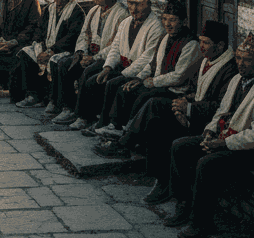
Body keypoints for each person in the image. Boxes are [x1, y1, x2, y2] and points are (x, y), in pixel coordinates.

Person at [167, 33, 254, 238]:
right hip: (229, 138)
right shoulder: (237, 80)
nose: (240, 64)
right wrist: (209, 132)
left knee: (207, 164)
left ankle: (202, 223)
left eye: (246, 60)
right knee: (179, 147)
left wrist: (223, 143)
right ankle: (183, 204)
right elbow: (222, 112)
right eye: (237, 58)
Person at [95, 21, 236, 189]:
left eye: (206, 43)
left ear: (220, 46)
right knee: (154, 107)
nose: (202, 46)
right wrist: (184, 101)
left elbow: (220, 106)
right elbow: (196, 89)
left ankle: (131, 150)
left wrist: (189, 108)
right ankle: (155, 176)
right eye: (201, 41)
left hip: (205, 122)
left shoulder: (229, 70)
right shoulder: (208, 60)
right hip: (190, 109)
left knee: (158, 116)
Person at [94, 0, 200, 147]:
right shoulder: (165, 38)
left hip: (175, 90)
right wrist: (138, 78)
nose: (167, 24)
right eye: (165, 19)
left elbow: (179, 76)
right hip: (158, 84)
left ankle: (129, 135)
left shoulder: (191, 44)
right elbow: (152, 64)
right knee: (126, 88)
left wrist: (153, 82)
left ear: (183, 22)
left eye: (173, 20)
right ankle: (115, 126)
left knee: (143, 96)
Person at [67, 0, 162, 133]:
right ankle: (87, 117)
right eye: (130, 3)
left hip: (137, 72)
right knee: (94, 79)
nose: (133, 9)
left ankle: (105, 123)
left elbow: (147, 58)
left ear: (148, 4)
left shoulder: (156, 26)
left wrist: (124, 74)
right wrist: (108, 67)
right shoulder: (126, 22)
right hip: (121, 67)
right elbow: (116, 47)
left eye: (138, 4)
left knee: (112, 84)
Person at [51, 0, 127, 124]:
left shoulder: (121, 15)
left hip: (105, 58)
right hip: (89, 55)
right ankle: (68, 107)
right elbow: (84, 35)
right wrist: (82, 52)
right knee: (64, 64)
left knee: (88, 72)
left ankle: (83, 116)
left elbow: (116, 44)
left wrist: (95, 57)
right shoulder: (93, 11)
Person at [15, 0, 85, 109]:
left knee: (54, 61)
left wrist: (52, 50)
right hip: (47, 48)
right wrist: (40, 47)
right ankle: (33, 95)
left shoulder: (76, 12)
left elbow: (72, 36)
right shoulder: (49, 9)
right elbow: (40, 30)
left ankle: (53, 100)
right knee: (26, 53)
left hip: (65, 50)